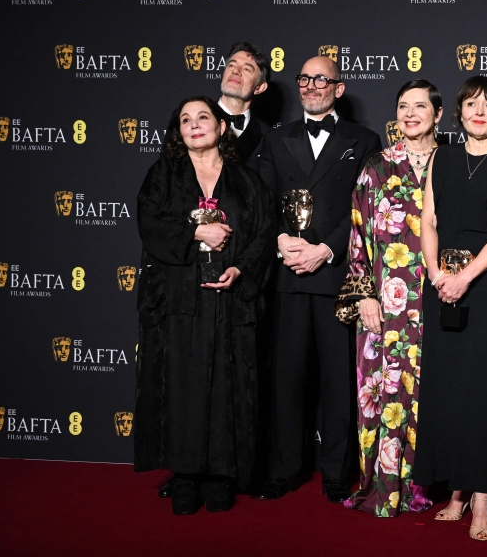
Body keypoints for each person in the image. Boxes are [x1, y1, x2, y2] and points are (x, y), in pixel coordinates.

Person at [134, 96, 276, 515]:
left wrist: (241, 271)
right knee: (181, 386)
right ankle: (184, 475)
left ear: (221, 126)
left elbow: (264, 234)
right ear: (178, 132)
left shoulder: (248, 182)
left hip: (231, 302)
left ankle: (220, 475)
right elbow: (149, 223)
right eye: (185, 120)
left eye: (203, 117)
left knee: (228, 384)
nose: (195, 125)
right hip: (179, 300)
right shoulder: (163, 174)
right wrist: (198, 234)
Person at [249, 56, 382, 503]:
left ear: (338, 88)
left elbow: (365, 208)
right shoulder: (275, 137)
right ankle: (283, 468)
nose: (310, 86)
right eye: (304, 79)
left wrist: (326, 249)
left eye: (321, 79)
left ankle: (338, 472)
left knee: (338, 382)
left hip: (335, 276)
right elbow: (260, 202)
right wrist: (283, 241)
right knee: (286, 379)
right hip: (287, 275)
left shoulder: (363, 140)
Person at [414, 76, 487, 541]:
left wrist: (464, 277)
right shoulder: (442, 157)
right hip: (440, 284)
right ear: (457, 112)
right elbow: (428, 221)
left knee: (478, 389)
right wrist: (438, 275)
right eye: (471, 104)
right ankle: (456, 490)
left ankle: (481, 498)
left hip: (486, 286)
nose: (480, 111)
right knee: (446, 386)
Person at [340, 80, 443, 517]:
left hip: (437, 300)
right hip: (384, 303)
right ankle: (381, 484)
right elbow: (358, 234)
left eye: (421, 106)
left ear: (439, 115)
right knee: (382, 395)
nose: (411, 114)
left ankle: (426, 484)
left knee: (429, 392)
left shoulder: (453, 163)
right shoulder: (376, 165)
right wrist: (363, 294)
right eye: (404, 106)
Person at [219, 41, 272, 162]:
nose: (236, 71)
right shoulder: (190, 120)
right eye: (231, 65)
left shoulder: (269, 137)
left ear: (259, 88)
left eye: (247, 69)